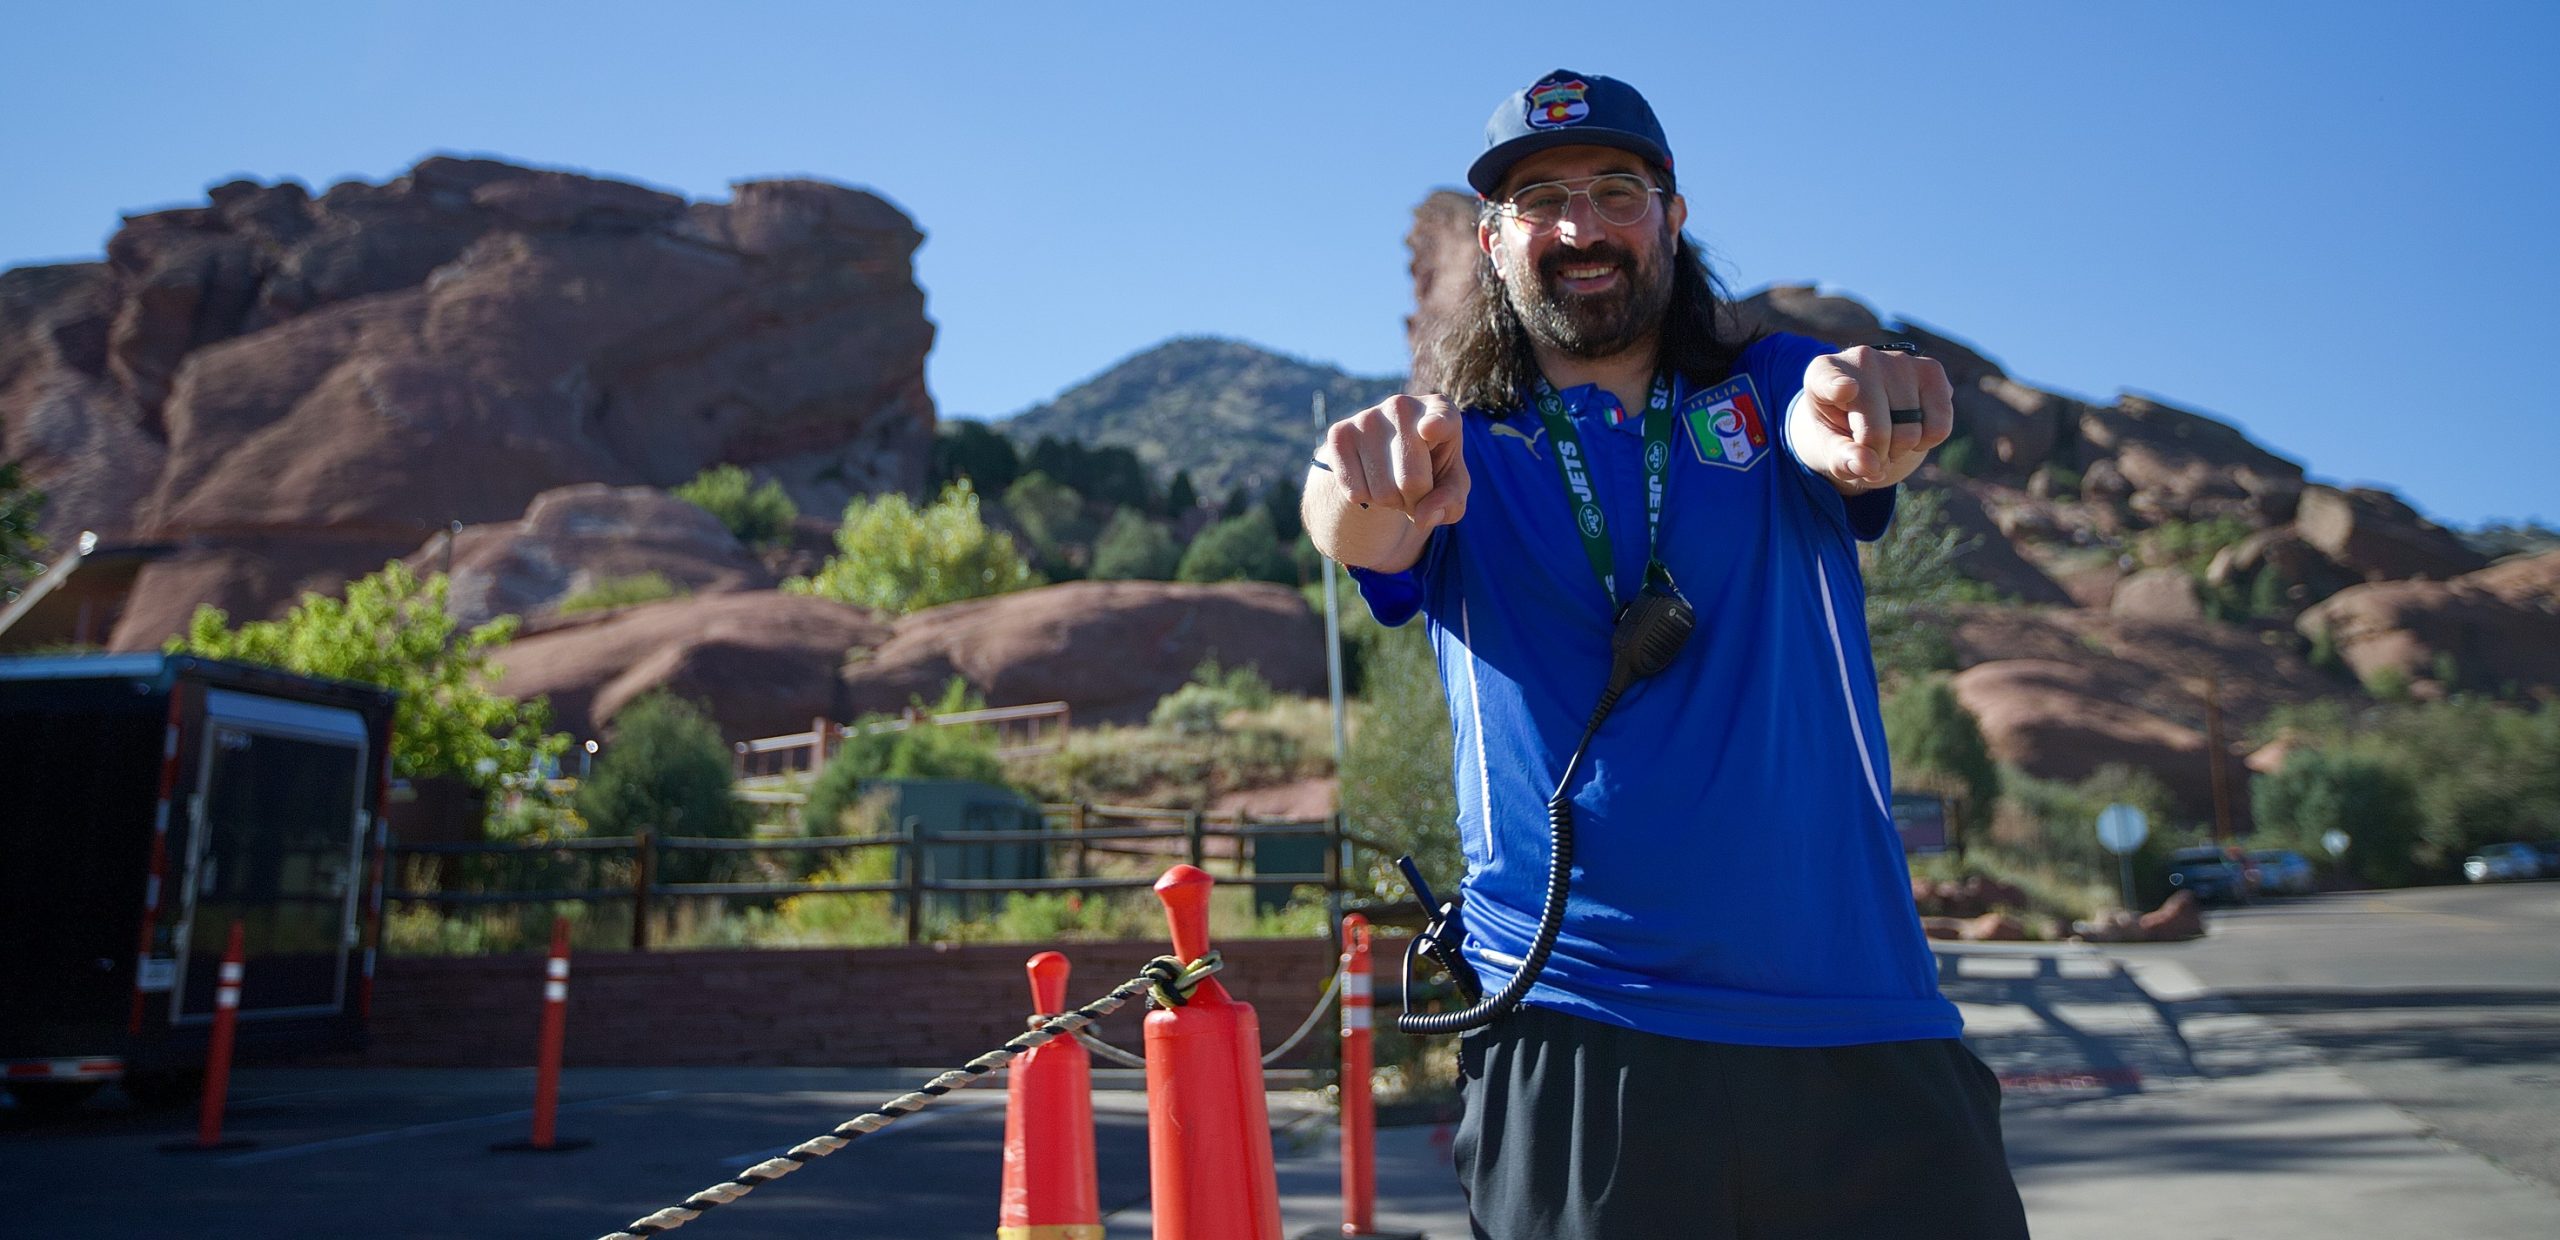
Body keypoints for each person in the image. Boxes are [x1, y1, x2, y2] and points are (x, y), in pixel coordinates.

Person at [1303, 70, 2031, 1239]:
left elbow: (1828, 420)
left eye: (1614, 190)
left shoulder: (1766, 383)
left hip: (1857, 1022)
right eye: (1541, 203)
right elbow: (1358, 520)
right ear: (1493, 243)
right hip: (1576, 1029)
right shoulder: (1457, 453)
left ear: (1672, 216)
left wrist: (1861, 418)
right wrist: (1354, 482)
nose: (1581, 228)